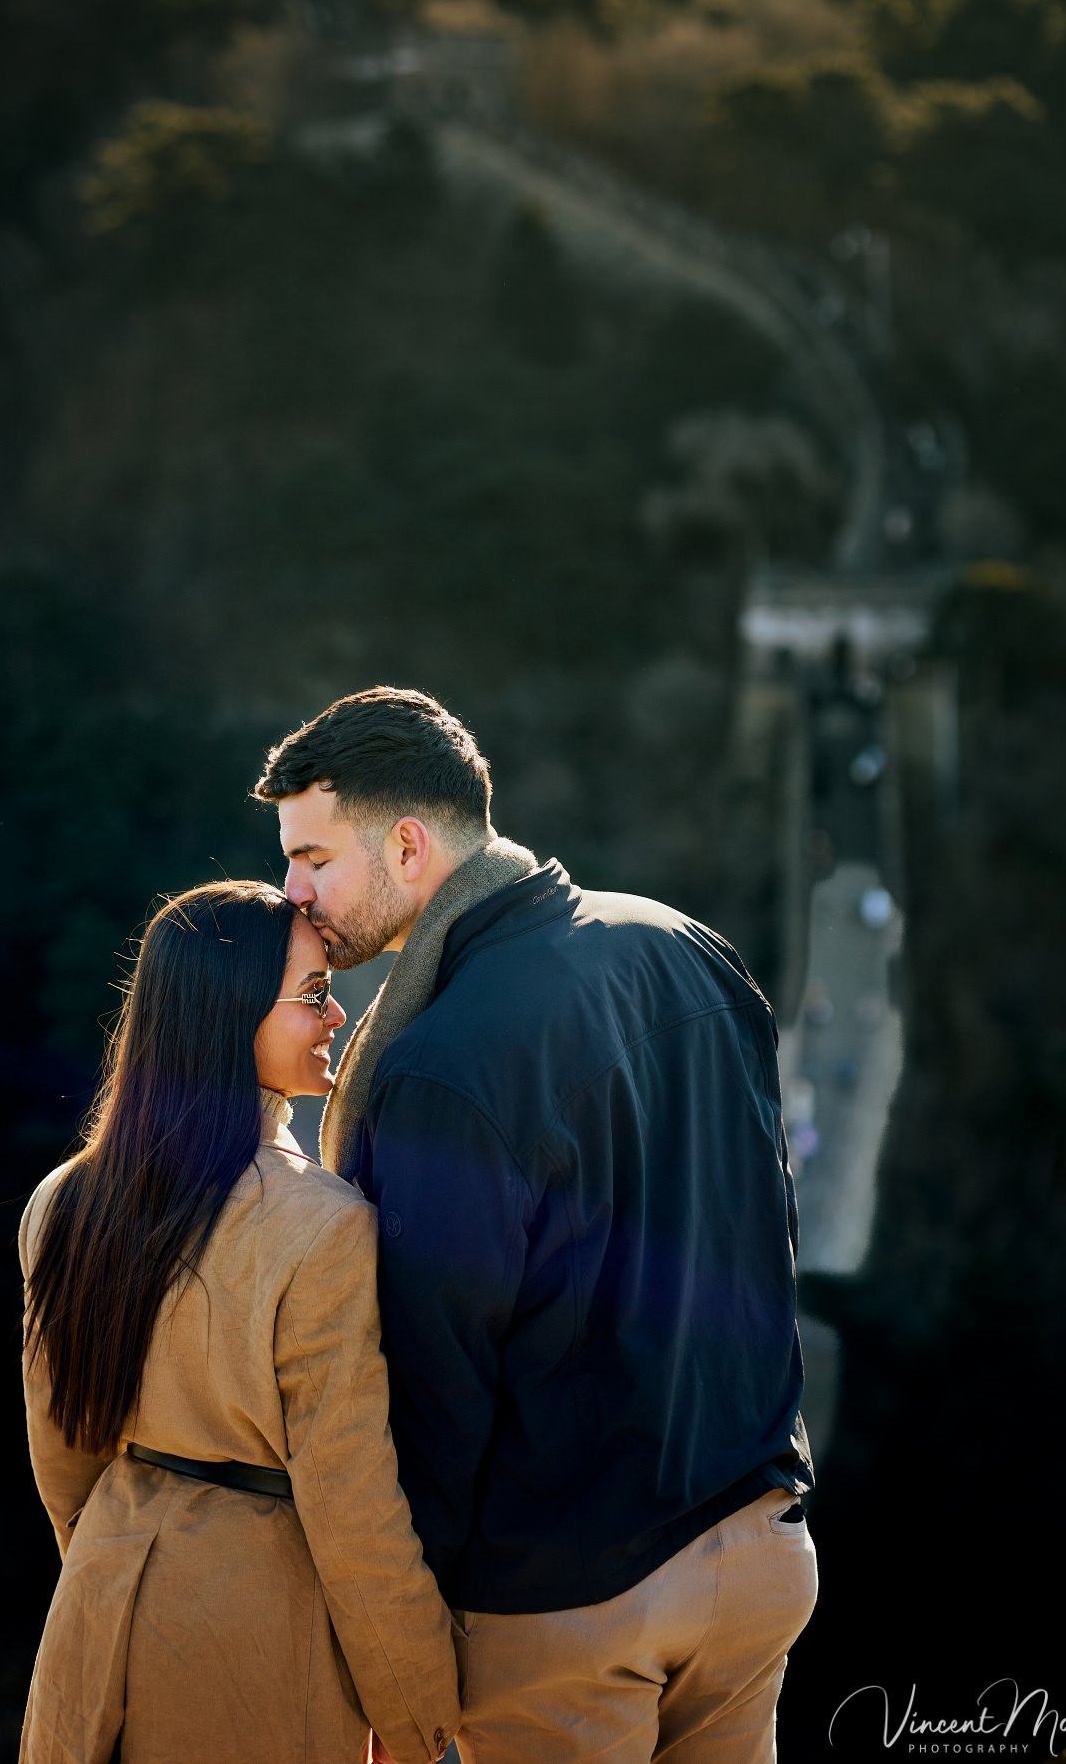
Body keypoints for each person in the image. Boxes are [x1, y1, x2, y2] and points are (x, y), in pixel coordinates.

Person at [254, 688, 819, 1764]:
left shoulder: (438, 1064)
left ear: (410, 843)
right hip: (756, 1553)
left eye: (314, 857)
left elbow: (434, 1384)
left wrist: (404, 1659)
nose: (296, 891)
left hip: (567, 1606)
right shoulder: (689, 946)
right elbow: (769, 1229)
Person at [18, 880, 459, 1764]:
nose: (337, 1013)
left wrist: (119, 1560)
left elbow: (61, 1462)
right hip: (253, 1634)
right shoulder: (324, 1224)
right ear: (228, 1014)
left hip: (93, 1614)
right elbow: (351, 1502)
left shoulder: (63, 1199)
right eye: (309, 993)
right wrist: (424, 1723)